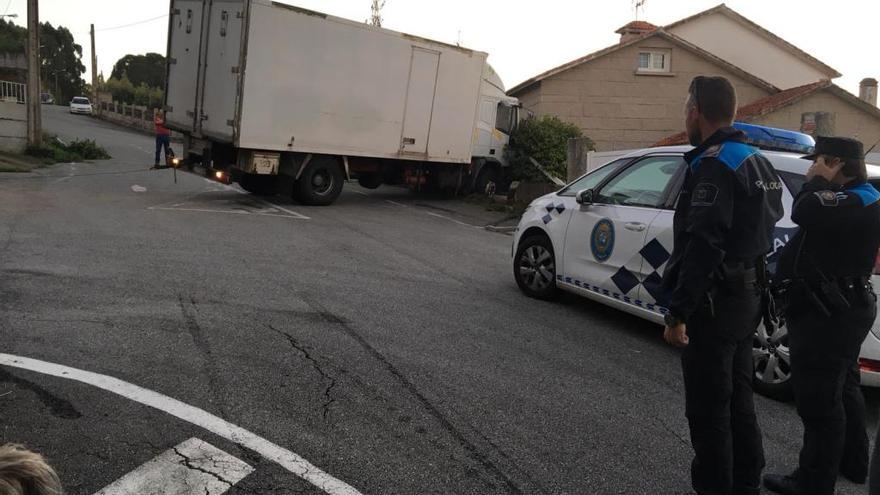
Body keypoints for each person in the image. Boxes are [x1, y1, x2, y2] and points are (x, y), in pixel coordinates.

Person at [662, 75, 784, 495]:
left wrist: (679, 312)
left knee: (709, 408)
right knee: (738, 400)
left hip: (716, 304)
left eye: (685, 109)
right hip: (747, 298)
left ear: (696, 112)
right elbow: (771, 214)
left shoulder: (715, 163)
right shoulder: (754, 157)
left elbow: (704, 243)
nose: (685, 115)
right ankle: (746, 484)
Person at [763, 136, 879, 495]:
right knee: (843, 388)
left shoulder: (856, 197)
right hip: (840, 305)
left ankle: (812, 483)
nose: (813, 167)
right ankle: (852, 462)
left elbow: (805, 210)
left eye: (820, 161)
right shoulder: (863, 196)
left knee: (819, 400)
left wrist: (817, 181)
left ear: (837, 164)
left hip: (830, 312)